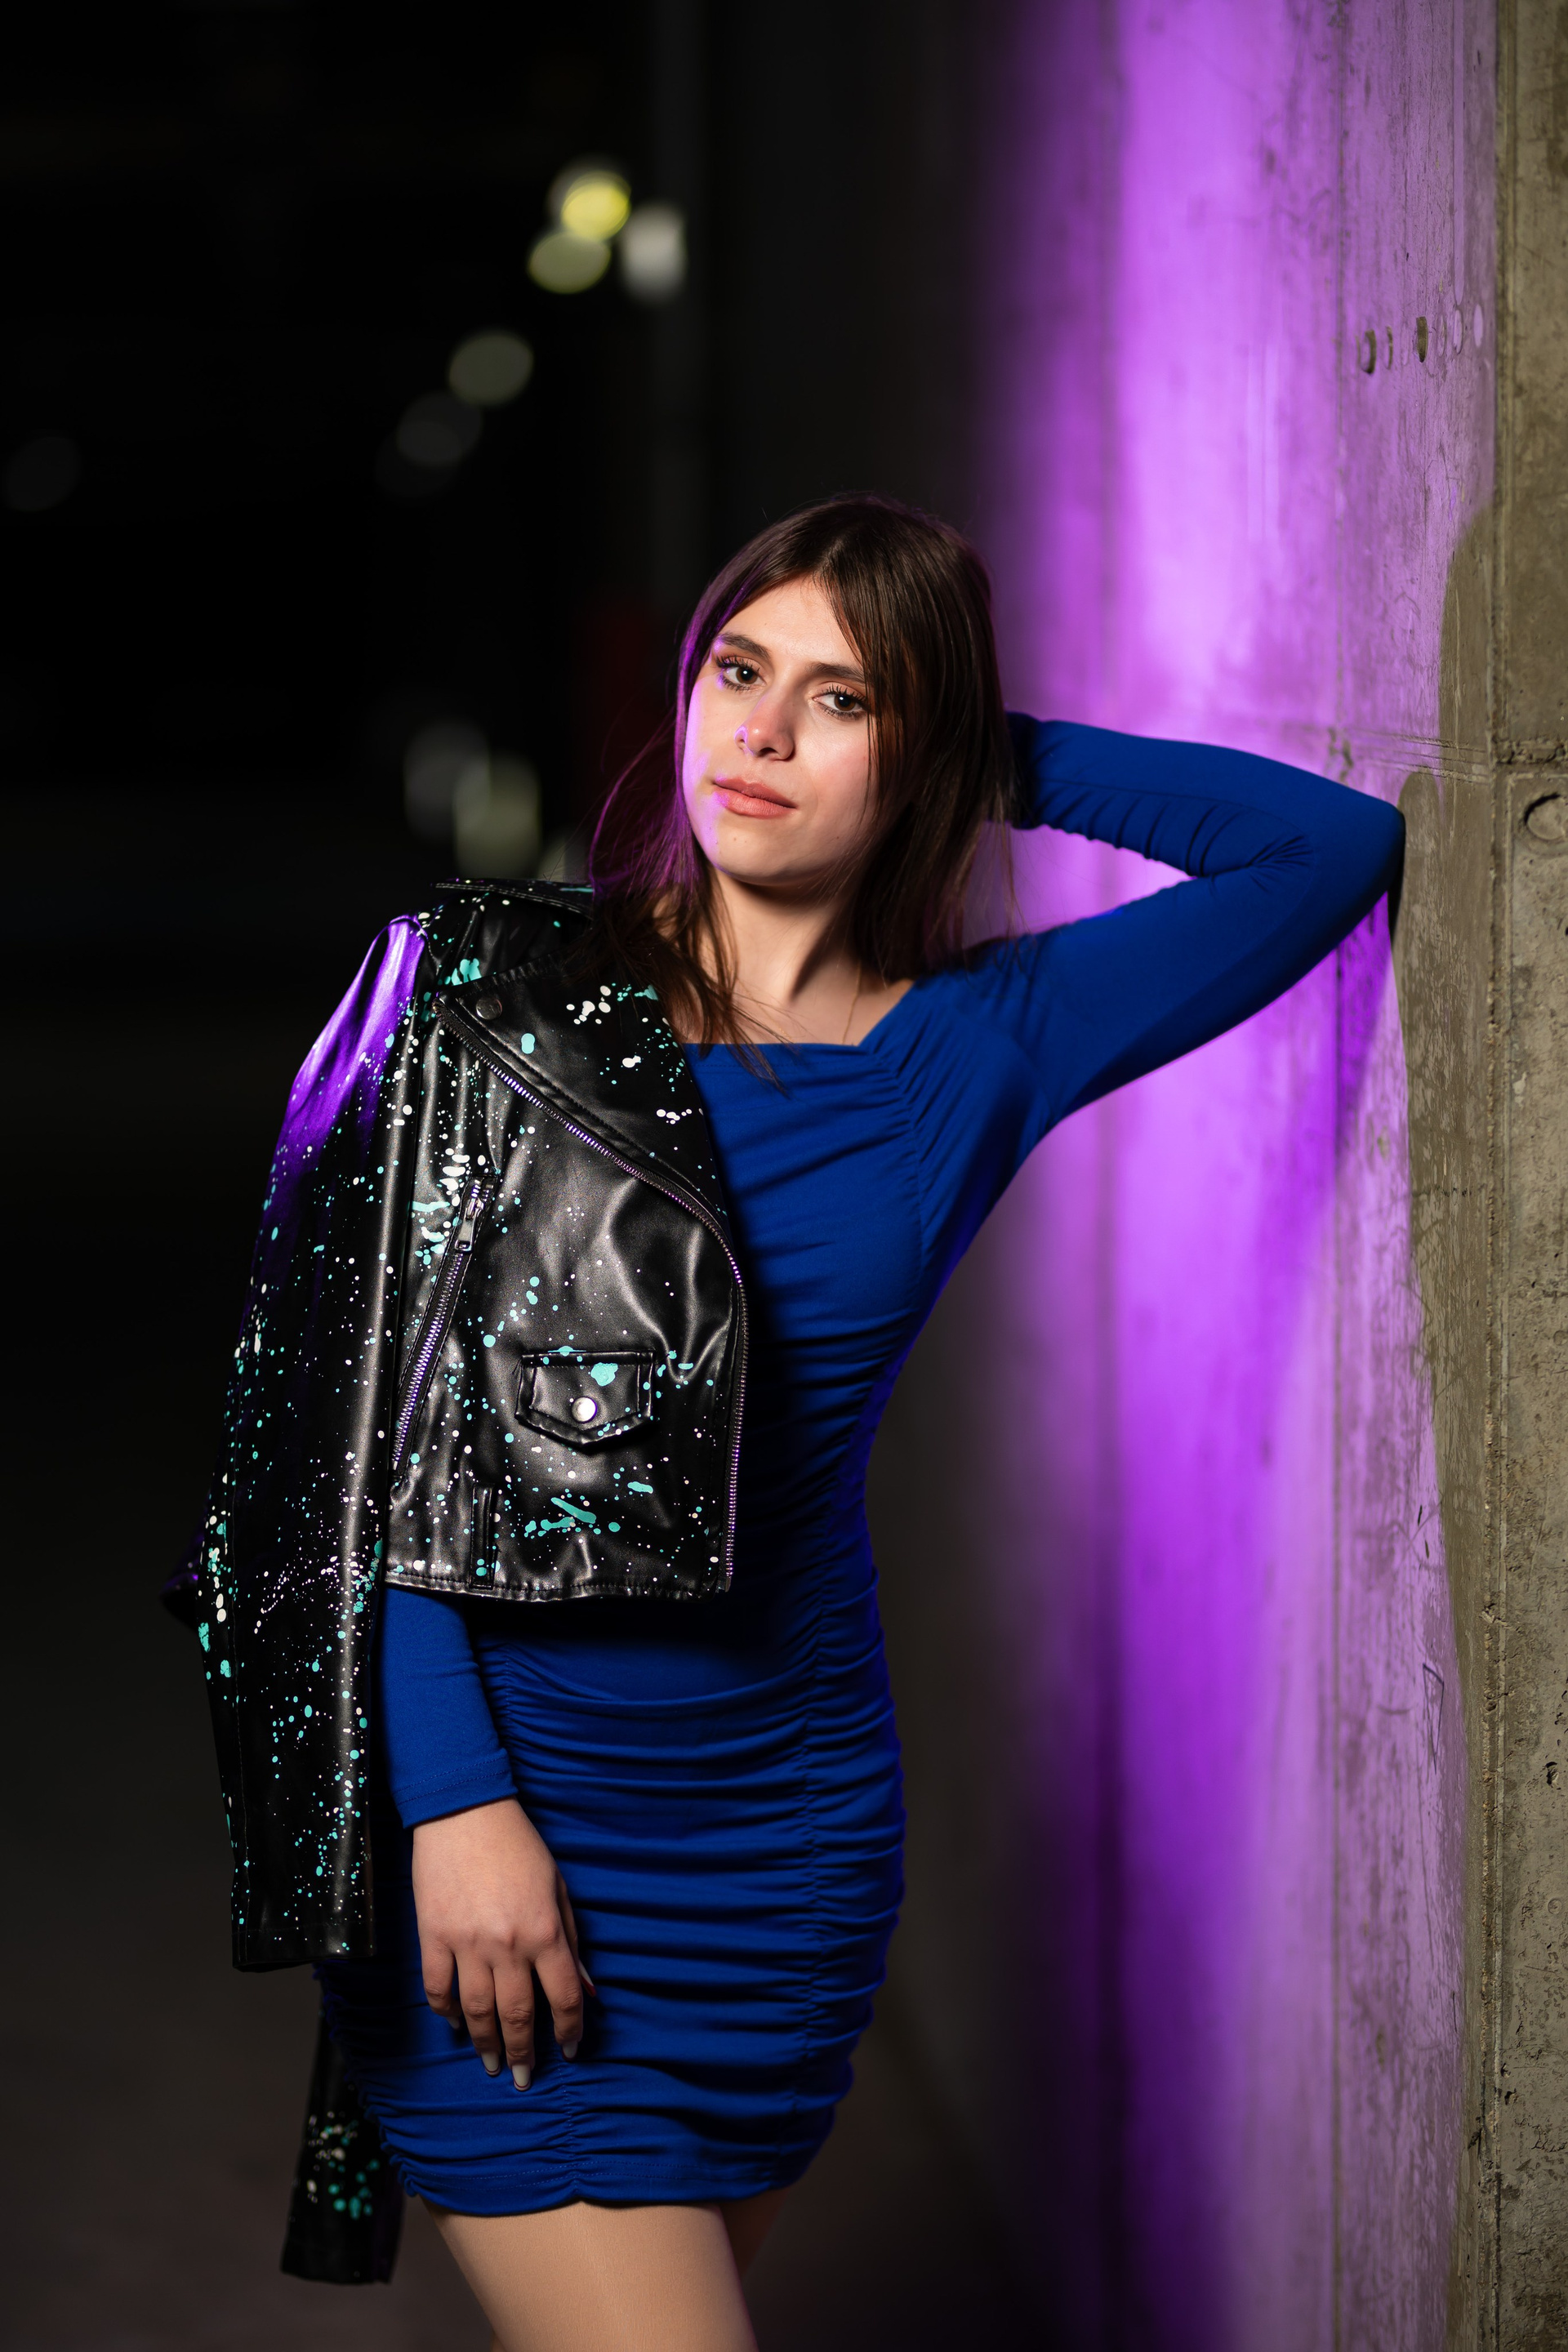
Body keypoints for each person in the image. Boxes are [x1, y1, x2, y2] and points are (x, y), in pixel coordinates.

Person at [178, 495, 1403, 2350]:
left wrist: (976, 744)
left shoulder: (973, 1048)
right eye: (739, 672)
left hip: (786, 1847)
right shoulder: (498, 997)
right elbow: (368, 1442)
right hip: (506, 1834)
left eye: (842, 701)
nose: (758, 734)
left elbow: (1327, 850)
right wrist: (456, 1804)